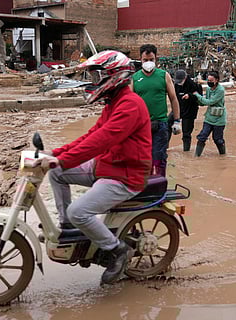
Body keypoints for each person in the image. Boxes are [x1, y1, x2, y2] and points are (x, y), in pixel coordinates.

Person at [40, 50, 152, 285]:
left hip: (126, 174)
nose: (93, 82)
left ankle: (116, 250)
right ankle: (67, 226)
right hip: (107, 165)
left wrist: (64, 159)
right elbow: (92, 135)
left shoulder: (130, 105)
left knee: (79, 211)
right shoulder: (113, 103)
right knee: (56, 173)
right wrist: (56, 155)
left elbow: (102, 140)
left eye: (95, 76)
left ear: (113, 76)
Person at [131, 44, 181, 176]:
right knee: (142, 158)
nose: (148, 63)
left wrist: (177, 121)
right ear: (140, 60)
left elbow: (174, 99)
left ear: (156, 59)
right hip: (140, 126)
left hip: (160, 124)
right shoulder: (134, 78)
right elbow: (129, 104)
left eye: (151, 60)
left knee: (159, 157)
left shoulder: (164, 76)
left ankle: (159, 185)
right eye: (145, 60)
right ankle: (144, 186)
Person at [167, 69, 203, 151]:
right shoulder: (176, 85)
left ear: (185, 78)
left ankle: (186, 151)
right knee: (167, 124)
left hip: (190, 110)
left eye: (181, 80)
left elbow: (200, 98)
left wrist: (189, 96)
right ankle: (165, 147)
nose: (179, 82)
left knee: (186, 133)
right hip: (178, 108)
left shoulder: (193, 85)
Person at [193, 71, 227, 157]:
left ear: (217, 80)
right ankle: (197, 156)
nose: (209, 82)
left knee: (218, 139)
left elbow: (210, 102)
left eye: (211, 81)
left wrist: (198, 96)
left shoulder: (220, 90)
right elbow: (204, 102)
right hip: (209, 117)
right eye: (208, 80)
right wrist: (196, 99)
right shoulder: (208, 89)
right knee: (202, 136)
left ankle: (223, 155)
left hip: (219, 119)